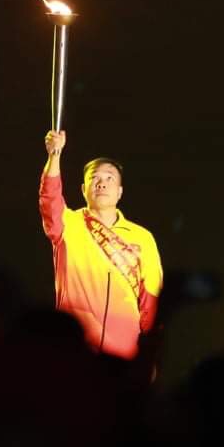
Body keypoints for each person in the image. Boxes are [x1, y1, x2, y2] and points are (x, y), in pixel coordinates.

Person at [39, 130, 163, 359]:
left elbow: (152, 298)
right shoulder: (68, 224)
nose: (102, 183)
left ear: (120, 192)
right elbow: (50, 197)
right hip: (75, 345)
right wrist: (54, 156)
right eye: (94, 178)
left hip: (124, 350)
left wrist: (148, 353)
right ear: (83, 189)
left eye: (109, 178)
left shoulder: (142, 237)